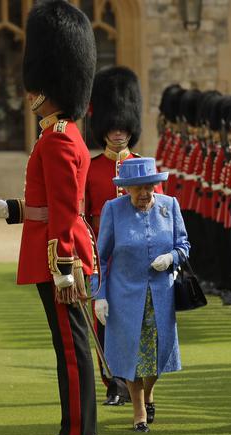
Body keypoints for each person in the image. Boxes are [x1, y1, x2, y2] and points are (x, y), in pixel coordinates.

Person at [0, 0, 97, 435]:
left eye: (36, 89)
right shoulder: (55, 136)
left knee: (70, 347)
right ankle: (74, 428)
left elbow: (65, 212)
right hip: (52, 250)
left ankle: (79, 432)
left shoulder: (61, 139)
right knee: (66, 345)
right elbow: (43, 207)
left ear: (52, 89)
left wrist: (64, 267)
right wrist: (5, 208)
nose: (30, 96)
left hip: (59, 256)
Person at [93, 157, 189, 433]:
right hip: (124, 296)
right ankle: (139, 412)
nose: (145, 193)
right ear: (126, 189)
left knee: (158, 355)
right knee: (132, 355)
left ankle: (148, 395)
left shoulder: (169, 206)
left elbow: (184, 244)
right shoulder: (113, 209)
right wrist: (99, 294)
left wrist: (171, 257)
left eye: (149, 186)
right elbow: (101, 257)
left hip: (160, 295)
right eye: (138, 188)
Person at [85, 65, 146, 407]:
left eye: (123, 128)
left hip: (136, 256)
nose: (117, 134)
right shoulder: (91, 169)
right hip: (101, 256)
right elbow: (84, 215)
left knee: (135, 321)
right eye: (112, 128)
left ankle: (133, 380)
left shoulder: (142, 165)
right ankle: (113, 382)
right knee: (104, 321)